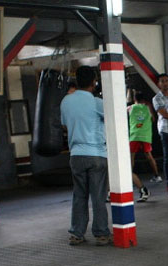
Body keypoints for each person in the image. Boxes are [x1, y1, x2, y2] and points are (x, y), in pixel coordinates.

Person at [60, 66, 111, 246]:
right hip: (96, 154)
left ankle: (76, 233)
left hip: (76, 155)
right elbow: (114, 119)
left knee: (79, 195)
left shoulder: (66, 101)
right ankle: (101, 234)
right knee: (98, 197)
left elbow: (65, 125)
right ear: (94, 82)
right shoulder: (96, 102)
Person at [127, 91, 160, 202]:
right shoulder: (147, 108)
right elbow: (153, 119)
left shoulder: (130, 108)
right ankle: (156, 175)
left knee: (131, 157)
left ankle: (130, 175)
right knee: (149, 156)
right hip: (145, 135)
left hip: (134, 135)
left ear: (134, 99)